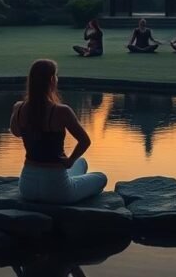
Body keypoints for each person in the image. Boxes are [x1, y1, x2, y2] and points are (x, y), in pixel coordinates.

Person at [10, 59, 108, 204]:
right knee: (101, 177)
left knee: (81, 163)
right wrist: (69, 161)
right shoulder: (62, 111)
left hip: (27, 188)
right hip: (57, 190)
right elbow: (85, 141)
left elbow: (16, 132)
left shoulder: (19, 107)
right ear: (51, 80)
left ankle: (69, 178)